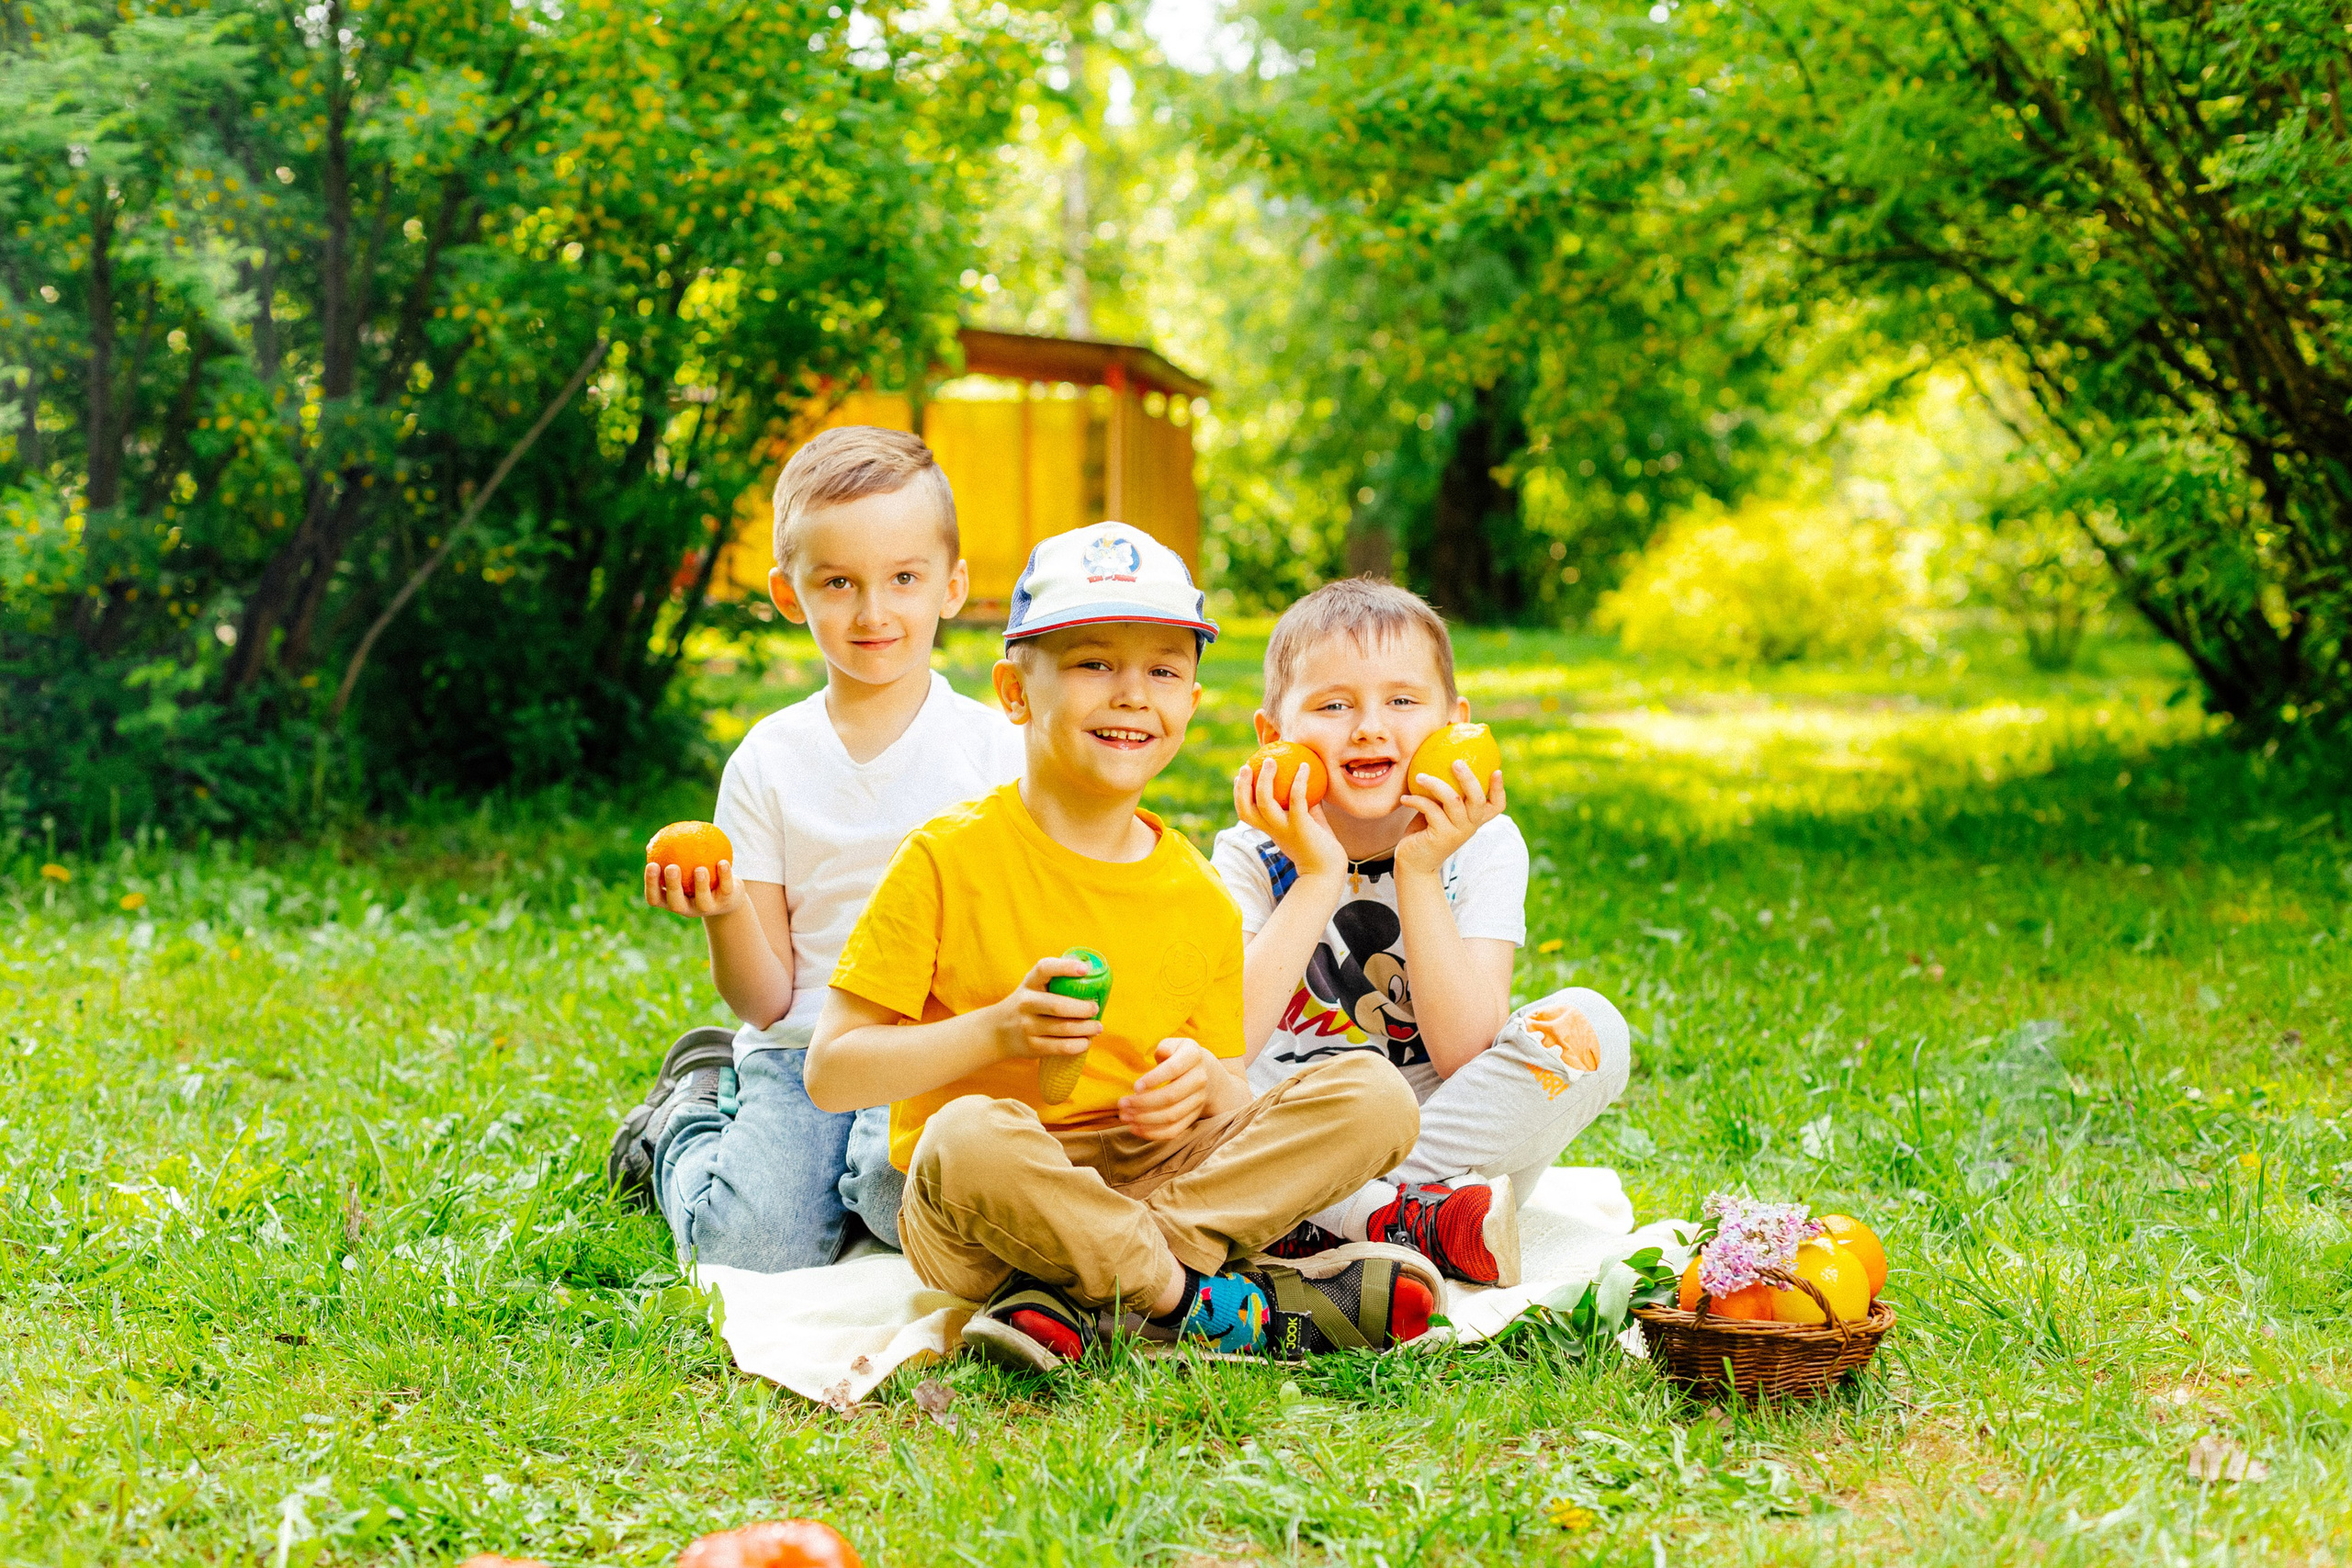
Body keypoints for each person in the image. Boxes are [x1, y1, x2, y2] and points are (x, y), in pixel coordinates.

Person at [804, 525, 1432, 1370]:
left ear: (1190, 703)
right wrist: (995, 1033)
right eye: (1094, 663)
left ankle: (1082, 1302)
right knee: (964, 1133)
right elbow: (832, 1070)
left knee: (1373, 1094)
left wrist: (1200, 1087)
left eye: (1164, 670)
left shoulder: (1198, 893)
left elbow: (1225, 1087)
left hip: (1153, 1175)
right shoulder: (945, 861)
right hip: (991, 1211)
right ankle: (1195, 1299)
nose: (1133, 694)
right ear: (1015, 692)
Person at [605, 426, 1024, 1272]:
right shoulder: (768, 762)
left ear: (953, 585)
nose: (874, 612)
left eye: (904, 578)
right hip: (799, 1051)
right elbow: (762, 998)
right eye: (838, 582)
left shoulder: (997, 754)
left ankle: (858, 1181)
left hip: (927, 1049)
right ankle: (683, 1117)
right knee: (749, 1249)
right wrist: (725, 912)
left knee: (894, 1192)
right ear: (789, 592)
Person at [1214, 577, 1632, 1288]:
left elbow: (1467, 1047)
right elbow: (1231, 1040)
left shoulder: (1484, 845)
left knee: (1594, 1027)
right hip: (1289, 1121)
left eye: (1402, 701)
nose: (1370, 726)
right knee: (1187, 1073)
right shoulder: (1251, 852)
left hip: (1441, 1130)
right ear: (1272, 735)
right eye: (1334, 704)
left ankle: (1323, 1215)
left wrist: (1419, 868)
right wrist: (1317, 874)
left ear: (1454, 723)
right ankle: (1400, 1222)